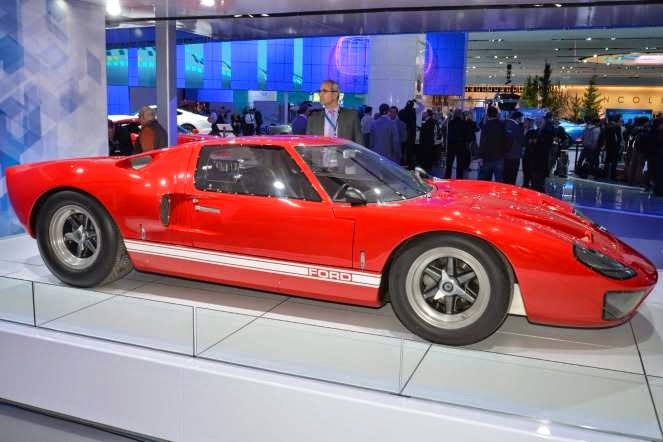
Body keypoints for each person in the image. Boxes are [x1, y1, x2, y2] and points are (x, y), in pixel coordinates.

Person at [306, 79, 363, 145]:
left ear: (335, 94)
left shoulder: (351, 116)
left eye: (324, 91)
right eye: (319, 91)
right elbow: (308, 144)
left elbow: (360, 144)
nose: (320, 94)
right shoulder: (313, 118)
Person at [477, 106, 507, 182]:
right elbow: (507, 140)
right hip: (499, 157)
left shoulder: (486, 126)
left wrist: (480, 156)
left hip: (487, 158)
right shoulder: (502, 125)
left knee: (484, 182)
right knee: (499, 181)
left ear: (487, 114)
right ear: (496, 114)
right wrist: (504, 151)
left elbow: (483, 142)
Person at [504, 111, 525, 185]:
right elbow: (522, 141)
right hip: (515, 155)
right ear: (518, 118)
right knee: (512, 176)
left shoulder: (504, 123)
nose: (522, 120)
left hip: (505, 155)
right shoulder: (518, 127)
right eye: (521, 118)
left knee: (505, 176)